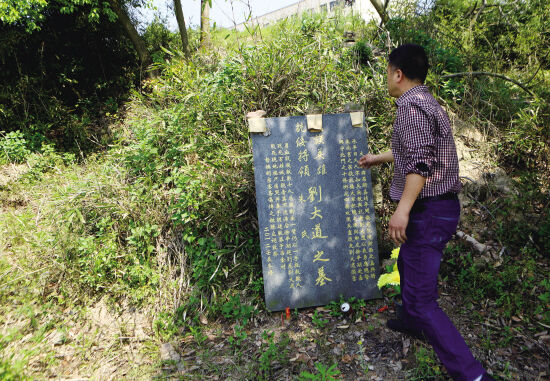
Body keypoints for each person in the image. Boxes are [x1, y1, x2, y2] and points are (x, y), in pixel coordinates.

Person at [358, 44, 493, 381]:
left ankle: (472, 375)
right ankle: (411, 320)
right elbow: (412, 149)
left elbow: (420, 163)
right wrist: (379, 158)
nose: (386, 78)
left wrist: (401, 211)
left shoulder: (410, 110)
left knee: (423, 300)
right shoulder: (427, 103)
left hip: (428, 211)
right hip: (440, 208)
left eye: (387, 72)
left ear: (397, 73)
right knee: (408, 262)